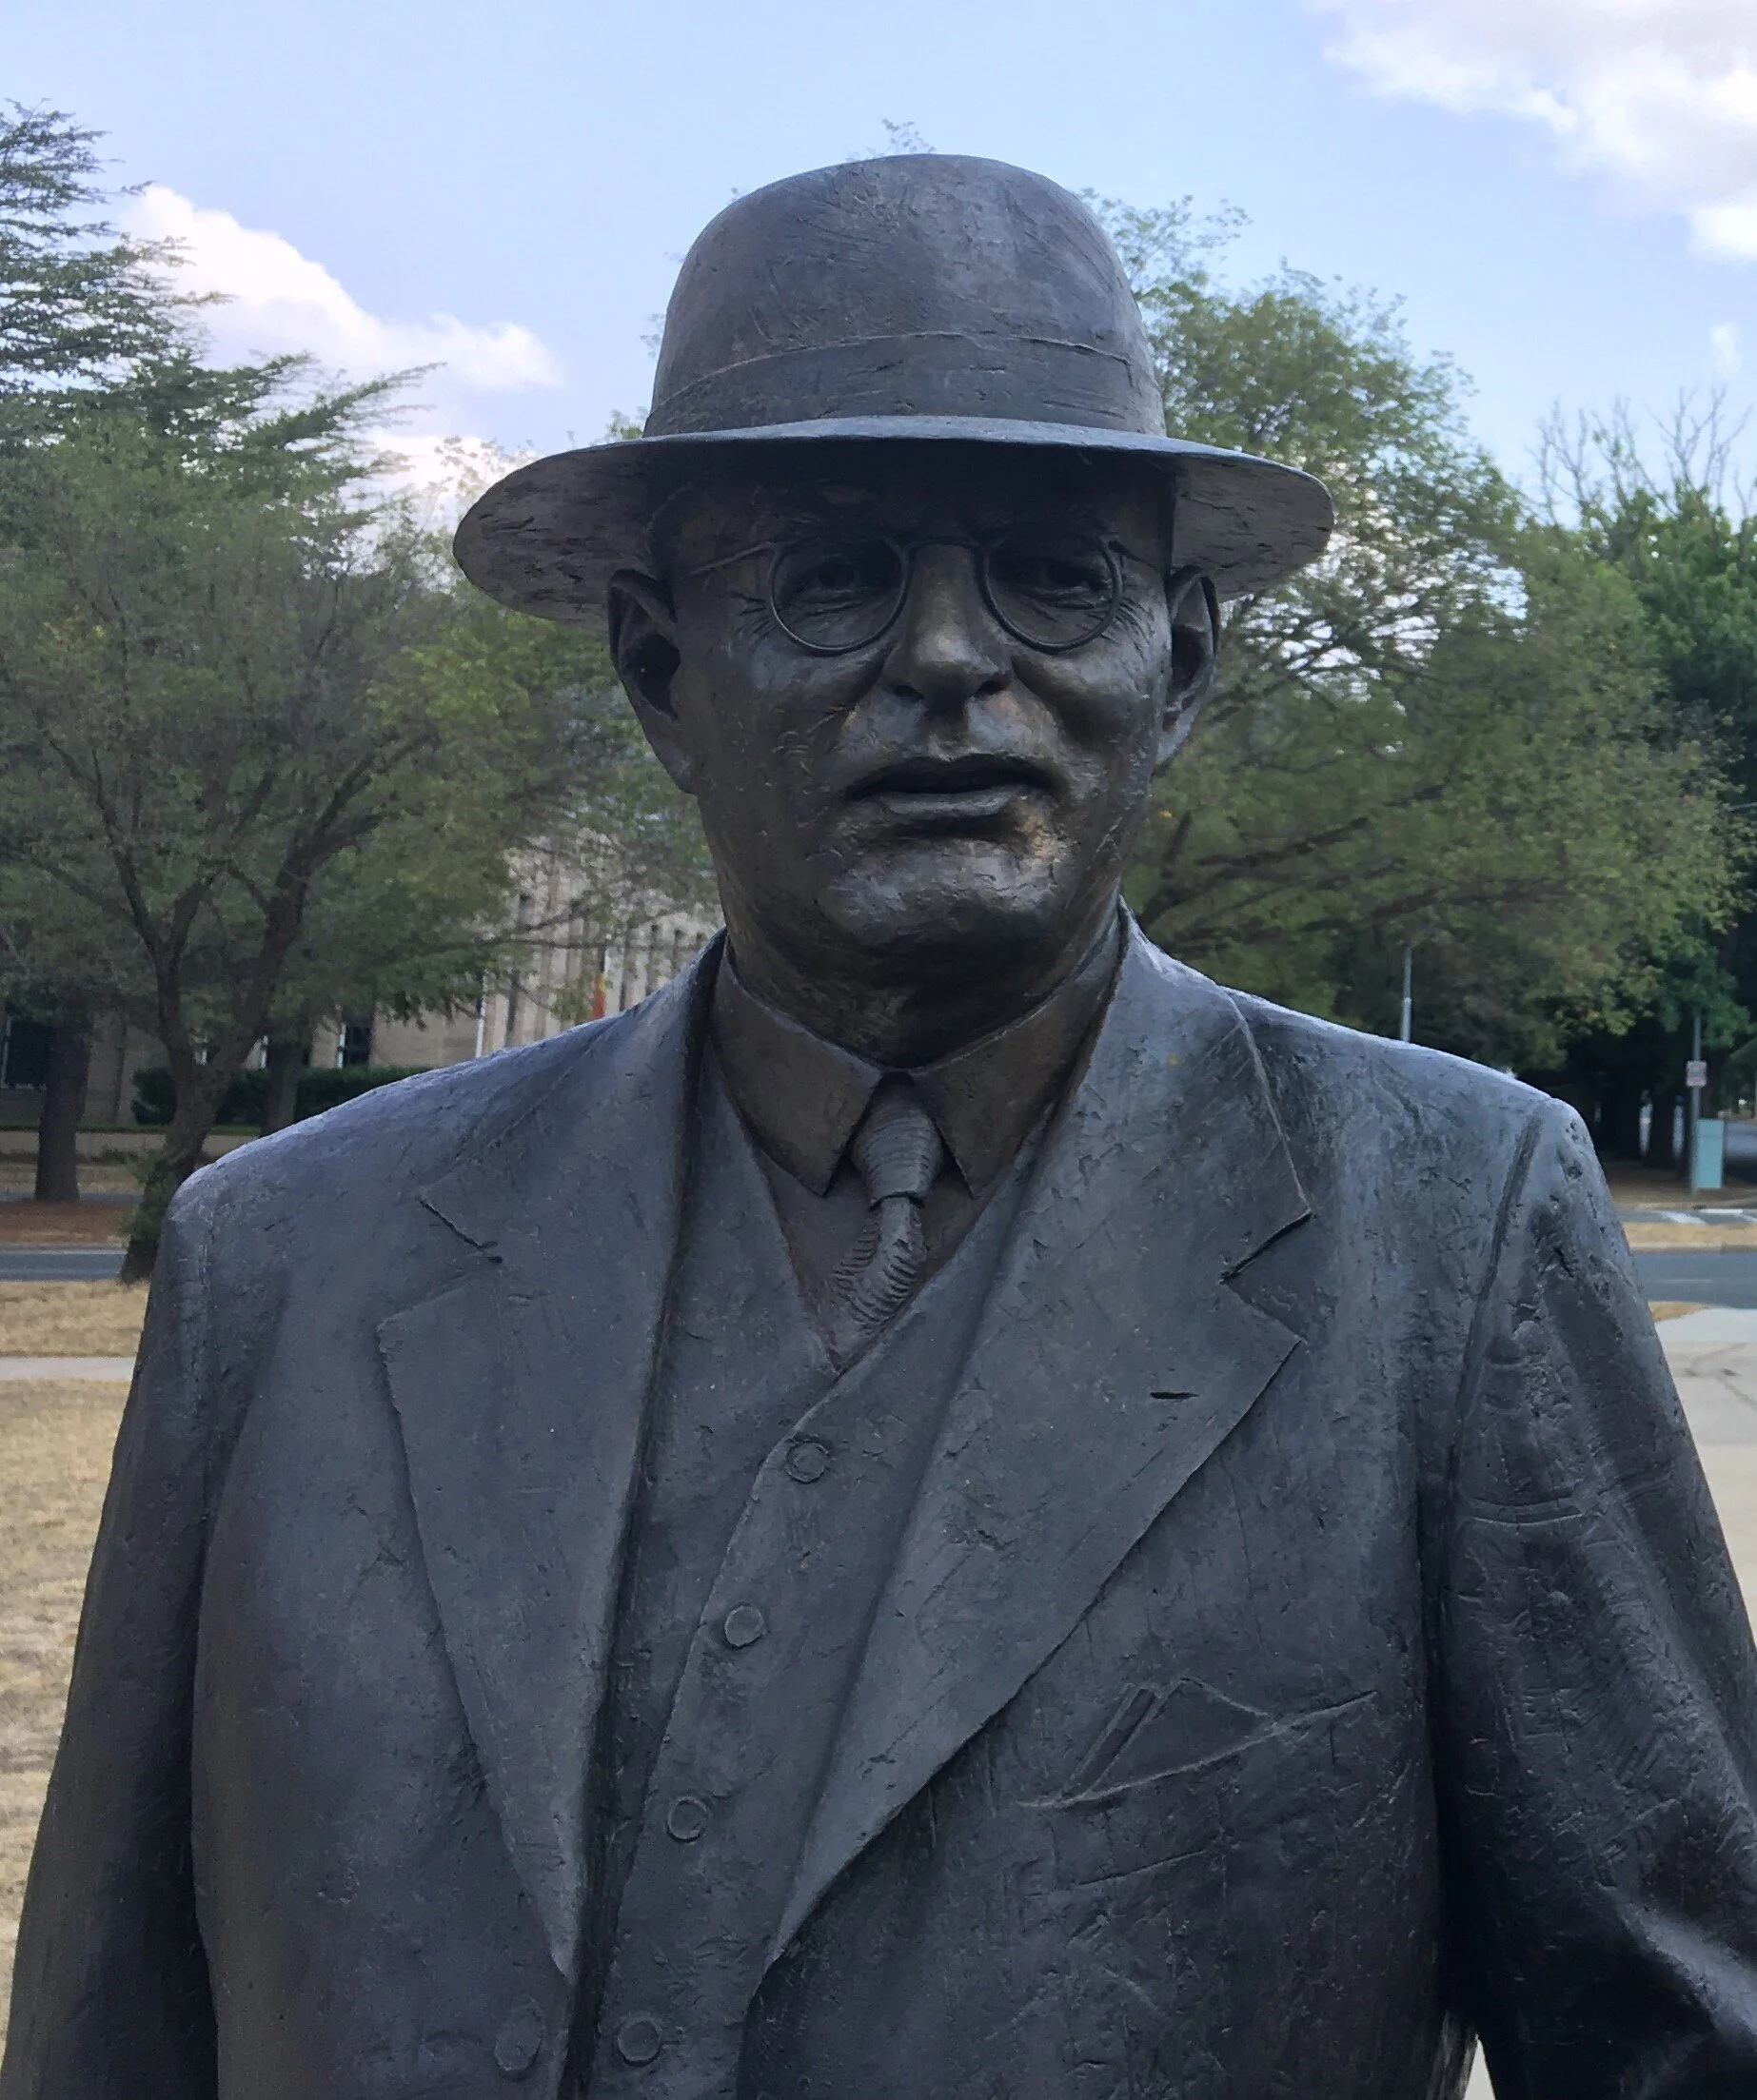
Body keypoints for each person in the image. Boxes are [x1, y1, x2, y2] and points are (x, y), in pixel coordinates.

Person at [7, 152, 1757, 2100]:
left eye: (1052, 578)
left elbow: (1678, 2042)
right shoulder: (287, 1259)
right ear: (662, 672)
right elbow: (110, 2021)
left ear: (1177, 663)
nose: (944, 657)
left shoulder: (1451, 1230)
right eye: (833, 577)